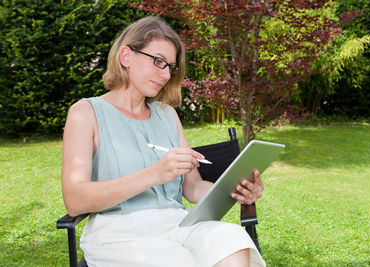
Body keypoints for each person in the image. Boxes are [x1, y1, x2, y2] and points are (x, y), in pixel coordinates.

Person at [61, 16, 266, 267]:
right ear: (126, 57)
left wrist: (235, 189)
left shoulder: (167, 114)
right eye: (158, 61)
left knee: (232, 239)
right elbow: (75, 200)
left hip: (177, 224)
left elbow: (192, 188)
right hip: (120, 235)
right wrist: (155, 174)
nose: (167, 74)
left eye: (170, 66)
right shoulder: (85, 113)